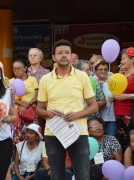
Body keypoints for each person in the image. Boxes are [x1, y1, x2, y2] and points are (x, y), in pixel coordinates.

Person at [37, 39, 98, 180]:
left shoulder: (82, 76)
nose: (63, 55)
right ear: (53, 57)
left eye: (67, 53)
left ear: (71, 56)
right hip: (53, 132)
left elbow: (94, 106)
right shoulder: (46, 79)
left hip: (78, 131)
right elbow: (39, 110)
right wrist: (48, 113)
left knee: (82, 175)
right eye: (59, 53)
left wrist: (77, 115)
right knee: (56, 175)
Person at [109, 47, 134, 151]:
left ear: (132, 59)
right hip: (119, 113)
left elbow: (126, 94)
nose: (121, 61)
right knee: (123, 142)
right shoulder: (120, 75)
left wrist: (128, 96)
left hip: (131, 113)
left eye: (124, 59)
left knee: (131, 141)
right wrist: (113, 97)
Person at [11, 59, 38, 144]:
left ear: (25, 68)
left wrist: (27, 104)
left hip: (31, 113)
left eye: (19, 68)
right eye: (14, 69)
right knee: (17, 140)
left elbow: (37, 97)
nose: (16, 71)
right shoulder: (10, 81)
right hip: (16, 114)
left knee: (32, 138)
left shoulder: (33, 80)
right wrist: (20, 103)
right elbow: (8, 98)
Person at [94, 61, 117, 136]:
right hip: (95, 119)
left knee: (110, 140)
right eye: (100, 69)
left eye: (105, 69)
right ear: (95, 71)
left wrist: (115, 98)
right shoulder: (92, 83)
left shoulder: (113, 83)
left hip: (110, 118)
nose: (103, 71)